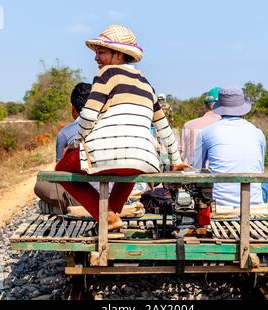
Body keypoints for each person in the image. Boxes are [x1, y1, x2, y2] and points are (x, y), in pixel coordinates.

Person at [55, 25, 189, 231]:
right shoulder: (146, 85)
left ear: (118, 54)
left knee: (61, 168)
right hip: (143, 158)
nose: (96, 58)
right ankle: (112, 217)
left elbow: (88, 116)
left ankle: (106, 216)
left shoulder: (106, 75)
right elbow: (164, 128)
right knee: (130, 166)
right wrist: (176, 160)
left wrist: (75, 143)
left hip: (105, 153)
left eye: (101, 52)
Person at [193, 87, 268, 207]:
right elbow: (260, 170)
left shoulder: (206, 132)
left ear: (219, 107)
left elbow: (197, 170)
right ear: (243, 109)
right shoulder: (257, 133)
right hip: (253, 203)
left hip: (219, 202)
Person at [34, 83, 93, 214]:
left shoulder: (65, 133)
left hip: (82, 198)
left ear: (73, 107)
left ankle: (59, 208)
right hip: (111, 194)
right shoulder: (106, 127)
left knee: (40, 185)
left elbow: (60, 175)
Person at [180, 87, 221, 166]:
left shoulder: (188, 125)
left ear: (205, 105)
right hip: (217, 175)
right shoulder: (226, 125)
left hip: (191, 174)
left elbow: (182, 155)